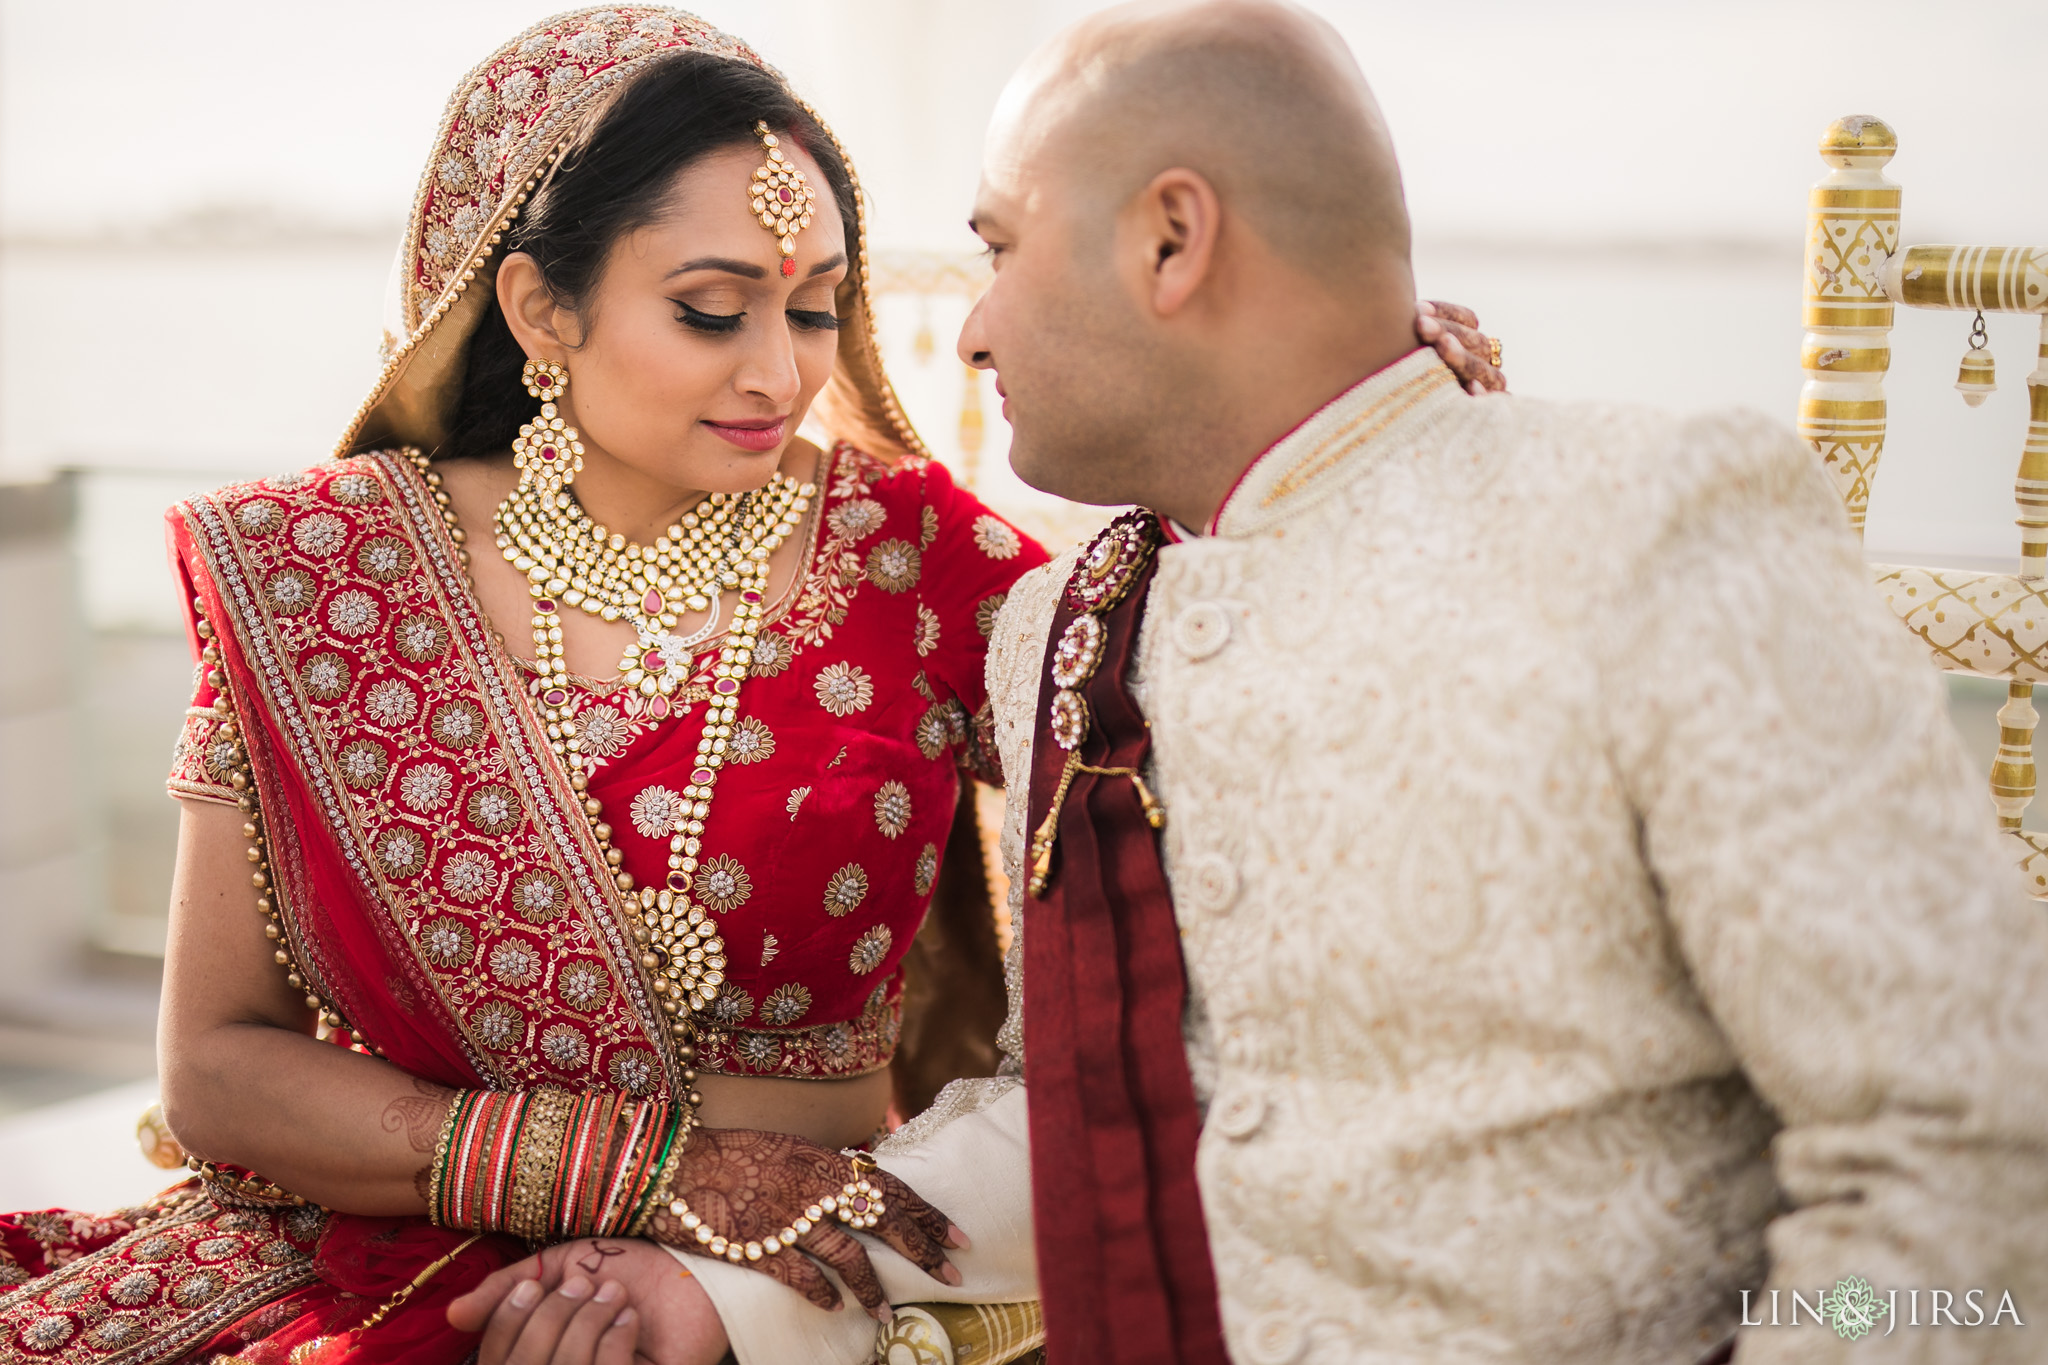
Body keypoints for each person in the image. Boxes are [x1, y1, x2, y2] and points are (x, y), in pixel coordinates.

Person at [0, 9, 1496, 1365]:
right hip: (379, 1276)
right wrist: (636, 1174)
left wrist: (1353, 415)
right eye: (714, 310)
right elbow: (213, 1068)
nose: (779, 374)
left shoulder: (909, 556)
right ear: (538, 307)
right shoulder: (321, 574)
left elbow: (1210, 658)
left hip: (788, 1300)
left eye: (817, 307)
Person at [936, 2, 2048, 1363]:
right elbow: (1089, 1121)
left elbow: (1971, 1146)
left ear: (1172, 239)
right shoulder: (1062, 630)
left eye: (997, 245)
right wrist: (728, 1282)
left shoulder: (1651, 525)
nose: (973, 328)